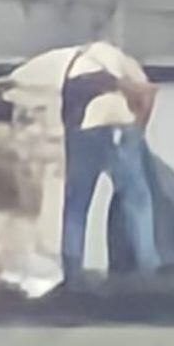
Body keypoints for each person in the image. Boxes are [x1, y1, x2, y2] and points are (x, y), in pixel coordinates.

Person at [60, 43, 162, 277]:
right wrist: (138, 131)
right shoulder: (130, 67)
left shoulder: (78, 61)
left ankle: (71, 268)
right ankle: (148, 266)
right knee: (137, 198)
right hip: (115, 127)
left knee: (76, 202)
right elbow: (146, 95)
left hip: (82, 128)